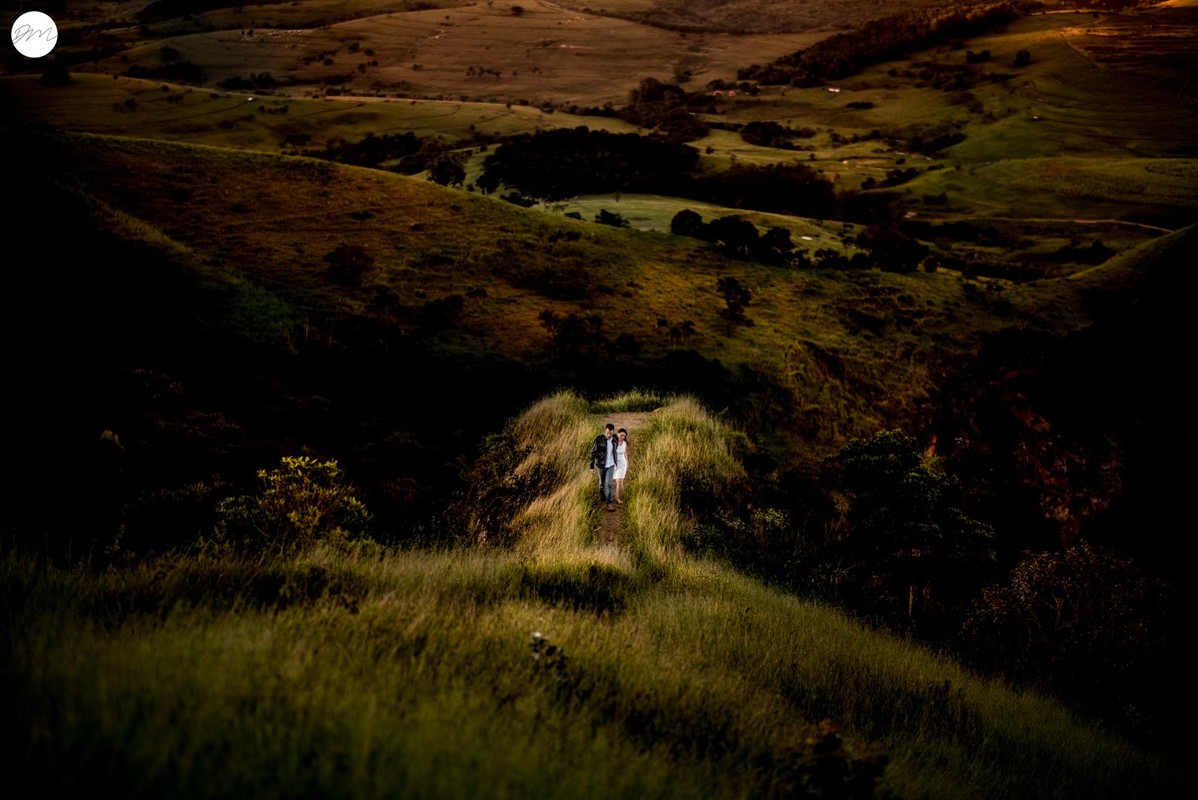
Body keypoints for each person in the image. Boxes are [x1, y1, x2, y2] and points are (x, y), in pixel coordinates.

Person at [589, 423, 618, 511]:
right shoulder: (599, 439)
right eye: (607, 433)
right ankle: (603, 499)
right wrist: (591, 467)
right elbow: (593, 453)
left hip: (611, 464)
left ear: (613, 432)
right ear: (605, 430)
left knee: (609, 483)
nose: (609, 435)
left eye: (610, 433)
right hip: (601, 465)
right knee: (601, 484)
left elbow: (615, 449)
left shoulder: (615, 439)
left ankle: (609, 502)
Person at [612, 428, 629, 504]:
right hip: (613, 464)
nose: (622, 437)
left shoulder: (625, 443)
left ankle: (618, 498)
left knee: (619, 481)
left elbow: (625, 452)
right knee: (614, 482)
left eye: (624, 436)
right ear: (617, 433)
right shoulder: (612, 442)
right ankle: (614, 496)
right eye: (621, 435)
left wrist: (627, 462)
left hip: (622, 464)